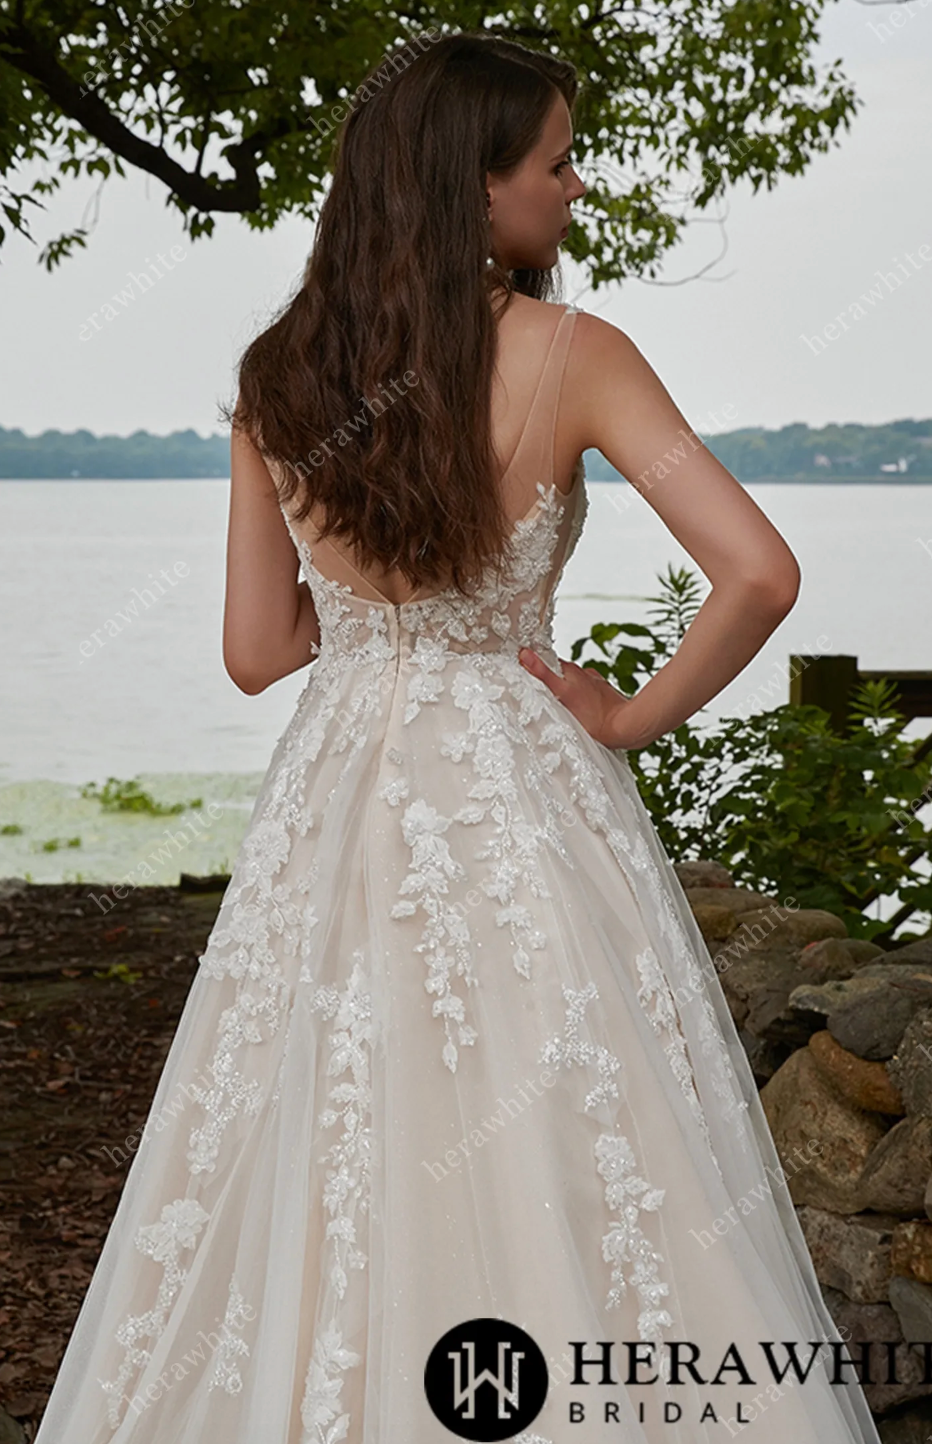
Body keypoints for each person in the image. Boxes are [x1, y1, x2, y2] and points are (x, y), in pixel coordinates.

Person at [34, 30, 884, 1444]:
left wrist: (369, 604)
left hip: (338, 791)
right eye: (554, 162)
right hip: (517, 789)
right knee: (559, 1111)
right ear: (471, 186)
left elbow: (256, 657)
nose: (575, 189)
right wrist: (624, 715)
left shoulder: (278, 375)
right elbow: (759, 574)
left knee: (318, 1116)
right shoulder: (577, 356)